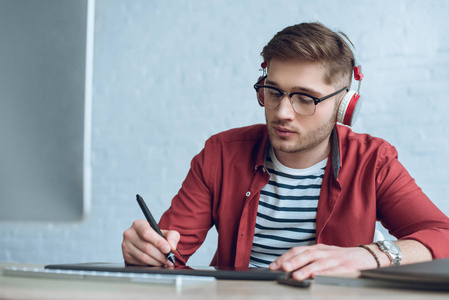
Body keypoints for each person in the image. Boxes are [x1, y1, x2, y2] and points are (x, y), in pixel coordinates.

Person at [122, 22, 449, 280]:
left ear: (344, 105)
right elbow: (169, 254)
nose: (282, 112)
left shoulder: (372, 161)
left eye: (306, 98)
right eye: (273, 92)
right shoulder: (220, 154)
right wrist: (146, 252)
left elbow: (443, 236)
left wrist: (368, 255)